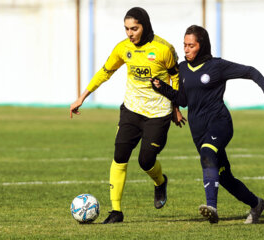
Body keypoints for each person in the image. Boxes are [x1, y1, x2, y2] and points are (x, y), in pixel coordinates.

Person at [150, 25, 264, 224]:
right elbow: (184, 99)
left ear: (201, 46)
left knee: (207, 152)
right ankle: (256, 204)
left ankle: (211, 206)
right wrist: (163, 89)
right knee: (225, 177)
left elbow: (251, 72)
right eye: (184, 45)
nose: (186, 49)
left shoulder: (217, 66)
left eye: (191, 45)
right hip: (198, 130)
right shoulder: (184, 68)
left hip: (220, 122)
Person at [70, 7, 185, 224]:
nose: (130, 33)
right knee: (120, 156)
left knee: (145, 161)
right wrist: (82, 97)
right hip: (131, 110)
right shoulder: (123, 48)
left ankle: (160, 183)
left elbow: (175, 77)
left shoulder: (163, 48)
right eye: (126, 29)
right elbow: (105, 71)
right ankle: (116, 211)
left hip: (158, 113)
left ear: (145, 26)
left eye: (134, 28)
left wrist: (176, 107)